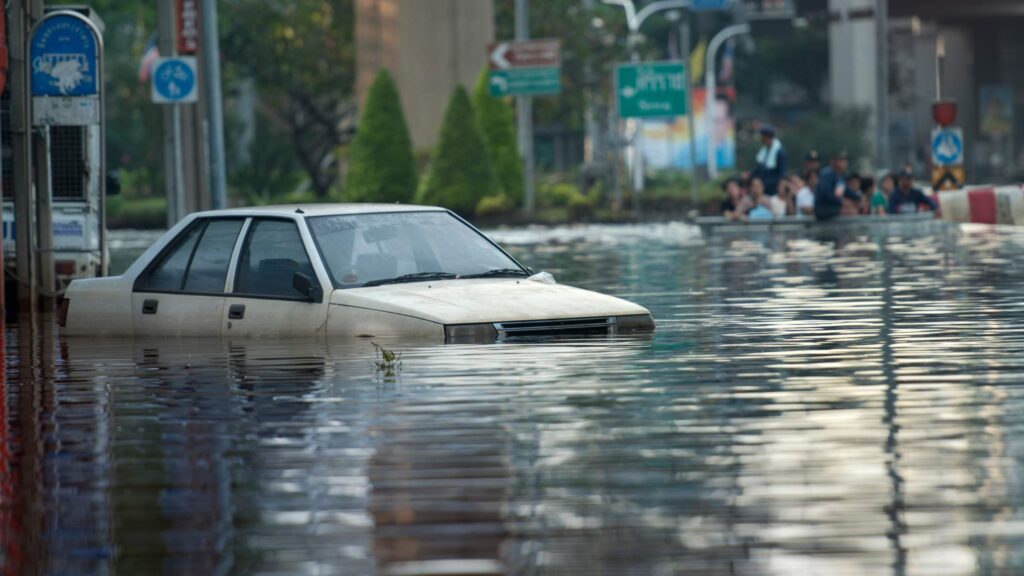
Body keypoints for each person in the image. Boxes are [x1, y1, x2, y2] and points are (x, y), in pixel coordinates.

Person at [752, 125, 787, 197]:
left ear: (766, 137)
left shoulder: (779, 152)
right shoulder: (764, 150)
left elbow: (781, 175)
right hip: (761, 190)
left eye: (762, 136)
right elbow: (758, 169)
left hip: (773, 192)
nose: (760, 138)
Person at [814, 151, 849, 221]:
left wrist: (859, 197)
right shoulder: (826, 174)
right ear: (835, 162)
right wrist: (842, 201)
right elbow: (826, 194)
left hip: (835, 207)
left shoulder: (841, 176)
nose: (845, 163)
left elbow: (846, 191)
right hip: (824, 209)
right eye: (842, 160)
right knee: (848, 212)